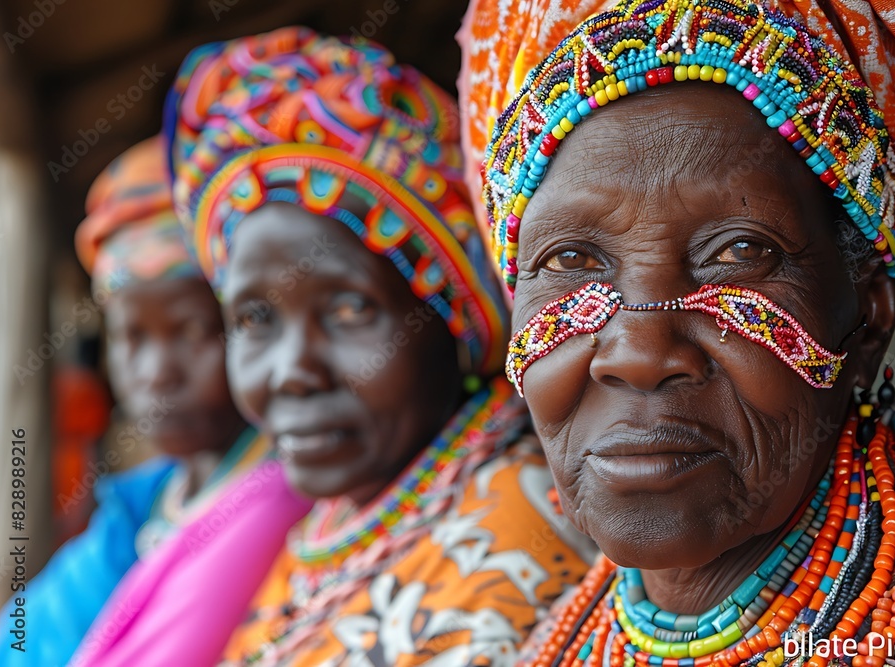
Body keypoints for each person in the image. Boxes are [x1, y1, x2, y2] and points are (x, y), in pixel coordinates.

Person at [461, 0, 895, 664]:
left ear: (868, 320)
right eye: (569, 261)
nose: (638, 353)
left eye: (741, 251)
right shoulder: (545, 640)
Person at [74, 29, 596, 667]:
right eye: (255, 318)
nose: (292, 372)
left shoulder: (517, 532)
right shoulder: (321, 526)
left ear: (451, 317)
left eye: (349, 310)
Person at [0, 136, 257, 666]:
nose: (157, 372)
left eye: (191, 331)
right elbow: (20, 643)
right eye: (132, 337)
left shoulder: (286, 490)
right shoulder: (134, 513)